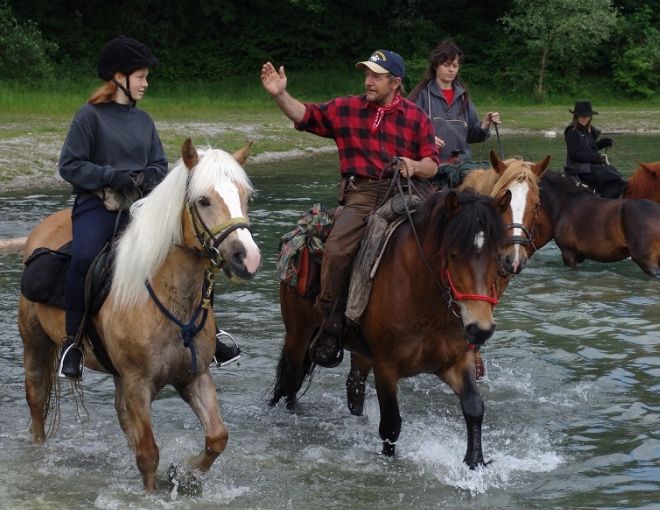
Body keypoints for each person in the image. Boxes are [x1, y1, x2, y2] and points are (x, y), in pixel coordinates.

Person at [56, 36, 239, 380]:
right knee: (83, 257)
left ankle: (211, 334)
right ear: (118, 77)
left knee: (195, 253)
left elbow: (159, 164)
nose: (145, 83)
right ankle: (73, 342)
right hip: (99, 207)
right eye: (140, 76)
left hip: (141, 208)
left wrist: (149, 176)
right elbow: (69, 166)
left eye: (145, 77)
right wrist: (112, 176)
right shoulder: (89, 116)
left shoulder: (144, 121)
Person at [260, 49, 439, 367]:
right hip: (364, 193)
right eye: (366, 75)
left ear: (395, 82)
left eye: (376, 76)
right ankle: (330, 324)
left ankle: (455, 323)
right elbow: (306, 116)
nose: (368, 81)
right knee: (338, 248)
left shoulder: (416, 116)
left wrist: (414, 165)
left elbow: (432, 164)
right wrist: (280, 94)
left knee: (447, 239)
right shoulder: (347, 108)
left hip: (410, 191)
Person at [408, 39, 500, 187]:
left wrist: (484, 125)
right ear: (435, 65)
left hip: (463, 170)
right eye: (447, 65)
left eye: (455, 65)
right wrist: (426, 140)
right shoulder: (421, 96)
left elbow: (471, 135)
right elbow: (405, 133)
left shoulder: (463, 97)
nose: (451, 69)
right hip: (431, 171)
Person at [564, 101, 627, 198]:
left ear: (590, 117)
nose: (585, 118)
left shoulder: (588, 131)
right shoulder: (572, 131)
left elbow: (590, 148)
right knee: (618, 181)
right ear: (576, 116)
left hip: (589, 166)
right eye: (582, 116)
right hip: (578, 168)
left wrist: (602, 143)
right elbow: (575, 154)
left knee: (617, 175)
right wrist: (595, 158)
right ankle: (603, 206)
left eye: (587, 116)